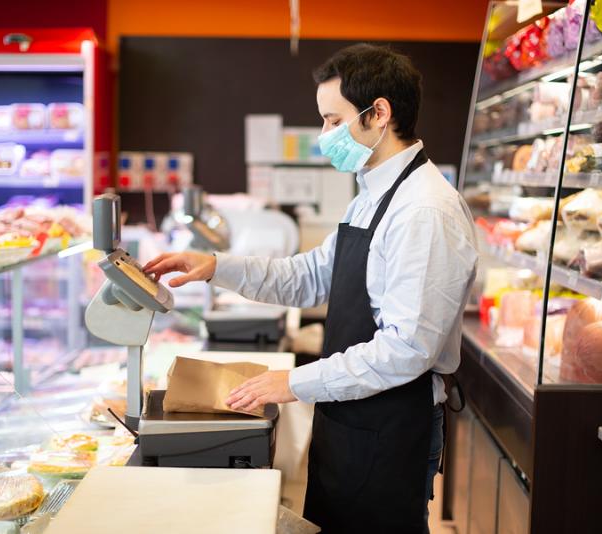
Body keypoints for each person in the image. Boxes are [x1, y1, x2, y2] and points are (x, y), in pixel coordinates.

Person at [144, 43, 478, 534]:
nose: (324, 136)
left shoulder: (425, 210)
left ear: (378, 114)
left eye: (331, 119)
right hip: (352, 415)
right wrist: (216, 266)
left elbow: (408, 348)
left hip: (390, 426)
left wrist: (293, 383)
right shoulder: (371, 195)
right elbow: (307, 278)